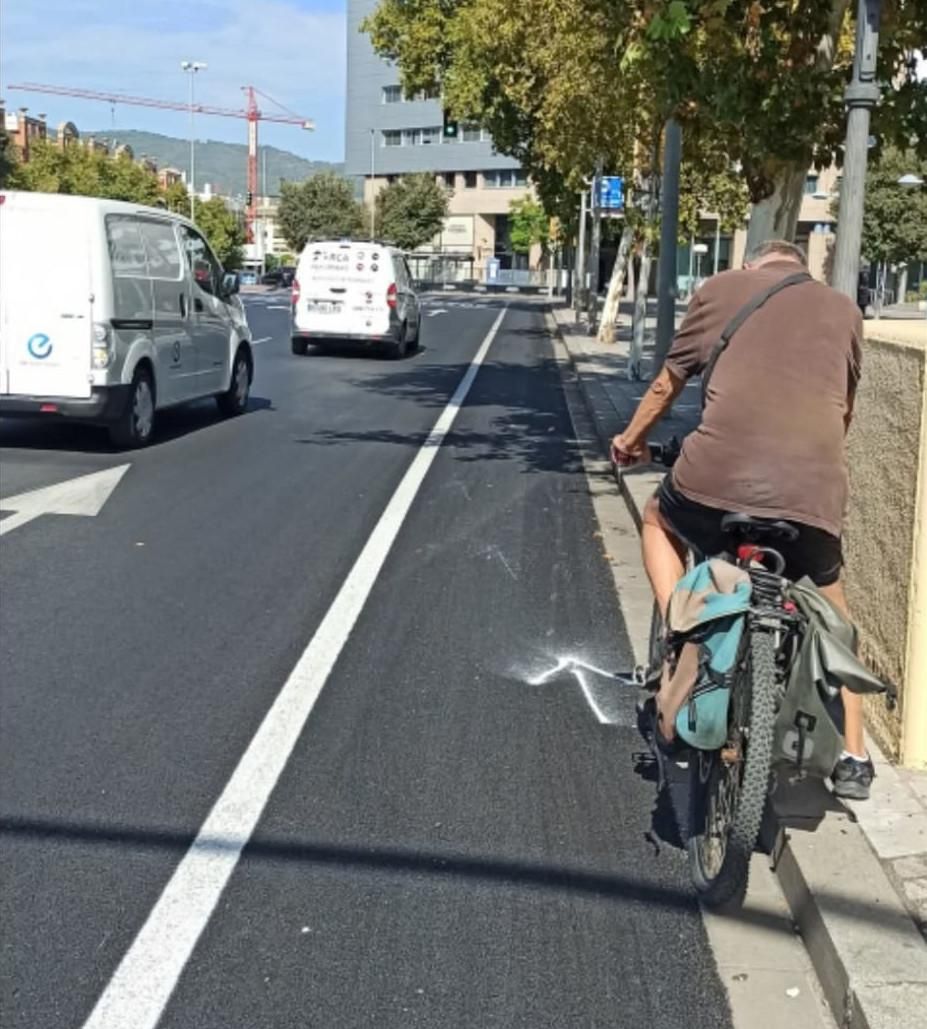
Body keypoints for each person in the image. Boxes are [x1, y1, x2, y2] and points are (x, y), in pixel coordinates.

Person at [611, 240, 873, 800]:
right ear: (804, 269)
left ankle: (684, 633)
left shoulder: (720, 289)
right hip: (812, 489)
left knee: (658, 516)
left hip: (716, 480)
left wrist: (631, 441)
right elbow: (843, 410)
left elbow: (667, 382)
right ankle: (855, 753)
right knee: (833, 609)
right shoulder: (843, 309)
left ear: (752, 263)